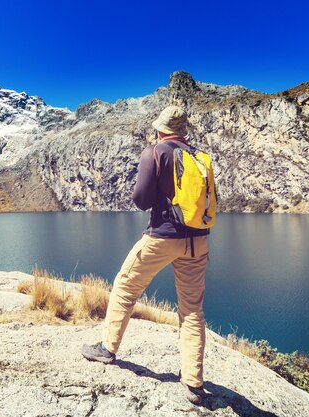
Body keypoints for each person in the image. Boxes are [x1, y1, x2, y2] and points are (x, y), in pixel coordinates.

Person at [81, 105, 212, 405]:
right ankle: (193, 382)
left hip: (162, 237)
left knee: (125, 286)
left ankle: (107, 348)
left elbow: (140, 200)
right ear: (183, 130)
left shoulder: (155, 152)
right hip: (198, 242)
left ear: (160, 129)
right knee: (192, 309)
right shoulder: (200, 157)